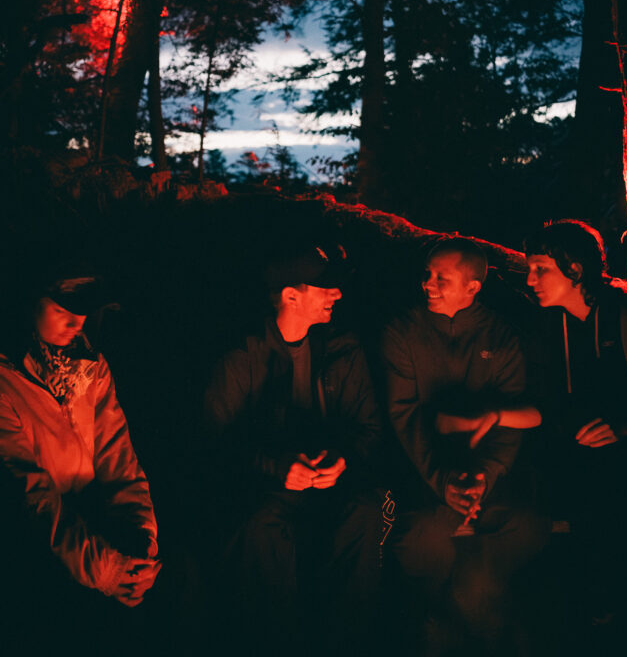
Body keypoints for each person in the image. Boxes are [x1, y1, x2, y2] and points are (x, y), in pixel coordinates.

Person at [203, 243, 384, 655]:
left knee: (368, 512)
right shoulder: (242, 356)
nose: (336, 295)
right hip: (266, 485)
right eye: (324, 288)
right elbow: (214, 446)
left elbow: (369, 429)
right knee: (261, 525)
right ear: (290, 296)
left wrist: (344, 461)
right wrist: (276, 467)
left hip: (330, 484)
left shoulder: (342, 348)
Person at [382, 237, 545, 650]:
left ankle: (484, 621)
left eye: (442, 278)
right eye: (427, 274)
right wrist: (442, 483)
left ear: (473, 287)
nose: (427, 284)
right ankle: (435, 623)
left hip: (487, 483)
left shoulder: (501, 336)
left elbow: (513, 420)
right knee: (423, 541)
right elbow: (405, 416)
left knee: (522, 530)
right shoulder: (403, 332)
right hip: (428, 482)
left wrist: (485, 478)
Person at [0, 268, 161, 624]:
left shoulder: (91, 369)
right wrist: (105, 571)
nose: (76, 323)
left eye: (83, 309)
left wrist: (141, 547)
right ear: (29, 304)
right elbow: (30, 493)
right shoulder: (6, 381)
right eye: (62, 309)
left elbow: (120, 461)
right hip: (33, 544)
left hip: (94, 520)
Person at [524, 219, 627, 624]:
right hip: (570, 479)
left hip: (626, 479)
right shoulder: (544, 326)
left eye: (541, 268)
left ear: (575, 269)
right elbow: (544, 405)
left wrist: (624, 428)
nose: (531, 279)